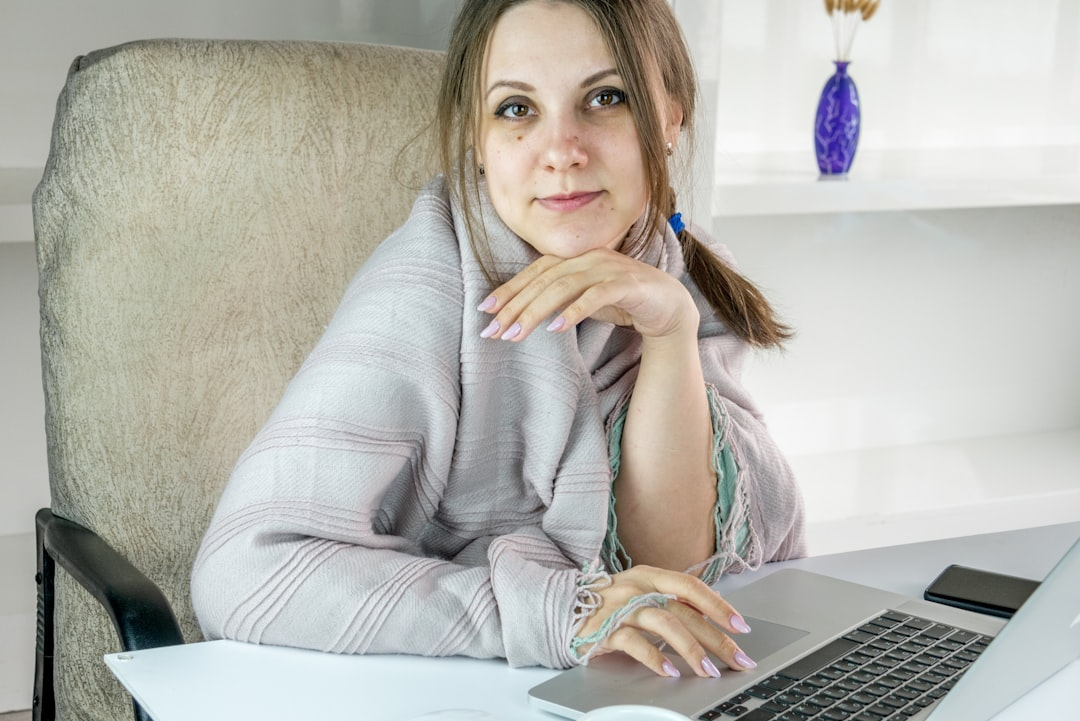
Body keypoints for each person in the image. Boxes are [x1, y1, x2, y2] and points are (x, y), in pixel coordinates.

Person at [191, 0, 805, 681]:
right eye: (517, 109)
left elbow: (672, 564)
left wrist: (669, 332)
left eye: (605, 98)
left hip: (619, 683)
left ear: (669, 118)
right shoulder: (426, 283)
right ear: (476, 140)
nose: (562, 152)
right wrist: (557, 609)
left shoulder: (679, 278)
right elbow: (243, 570)